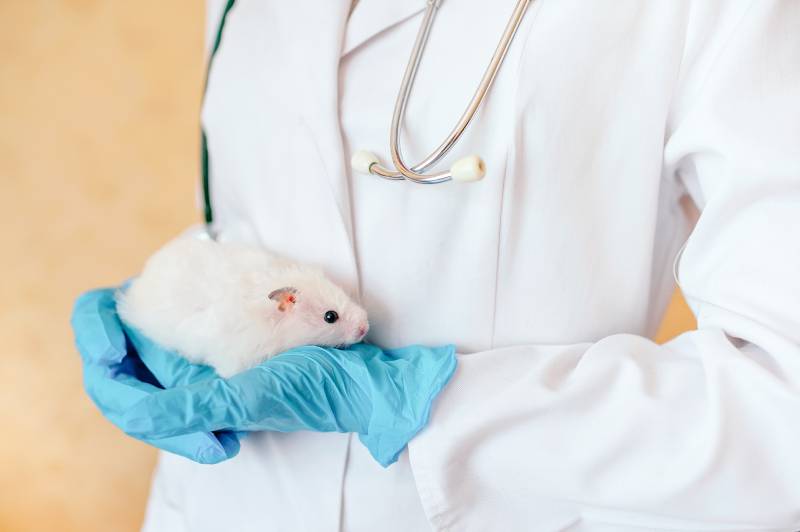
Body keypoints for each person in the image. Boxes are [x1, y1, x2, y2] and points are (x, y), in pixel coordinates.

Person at [70, 1, 800, 530]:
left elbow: (784, 407)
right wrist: (172, 313)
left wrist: (424, 404)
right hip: (223, 505)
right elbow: (253, 208)